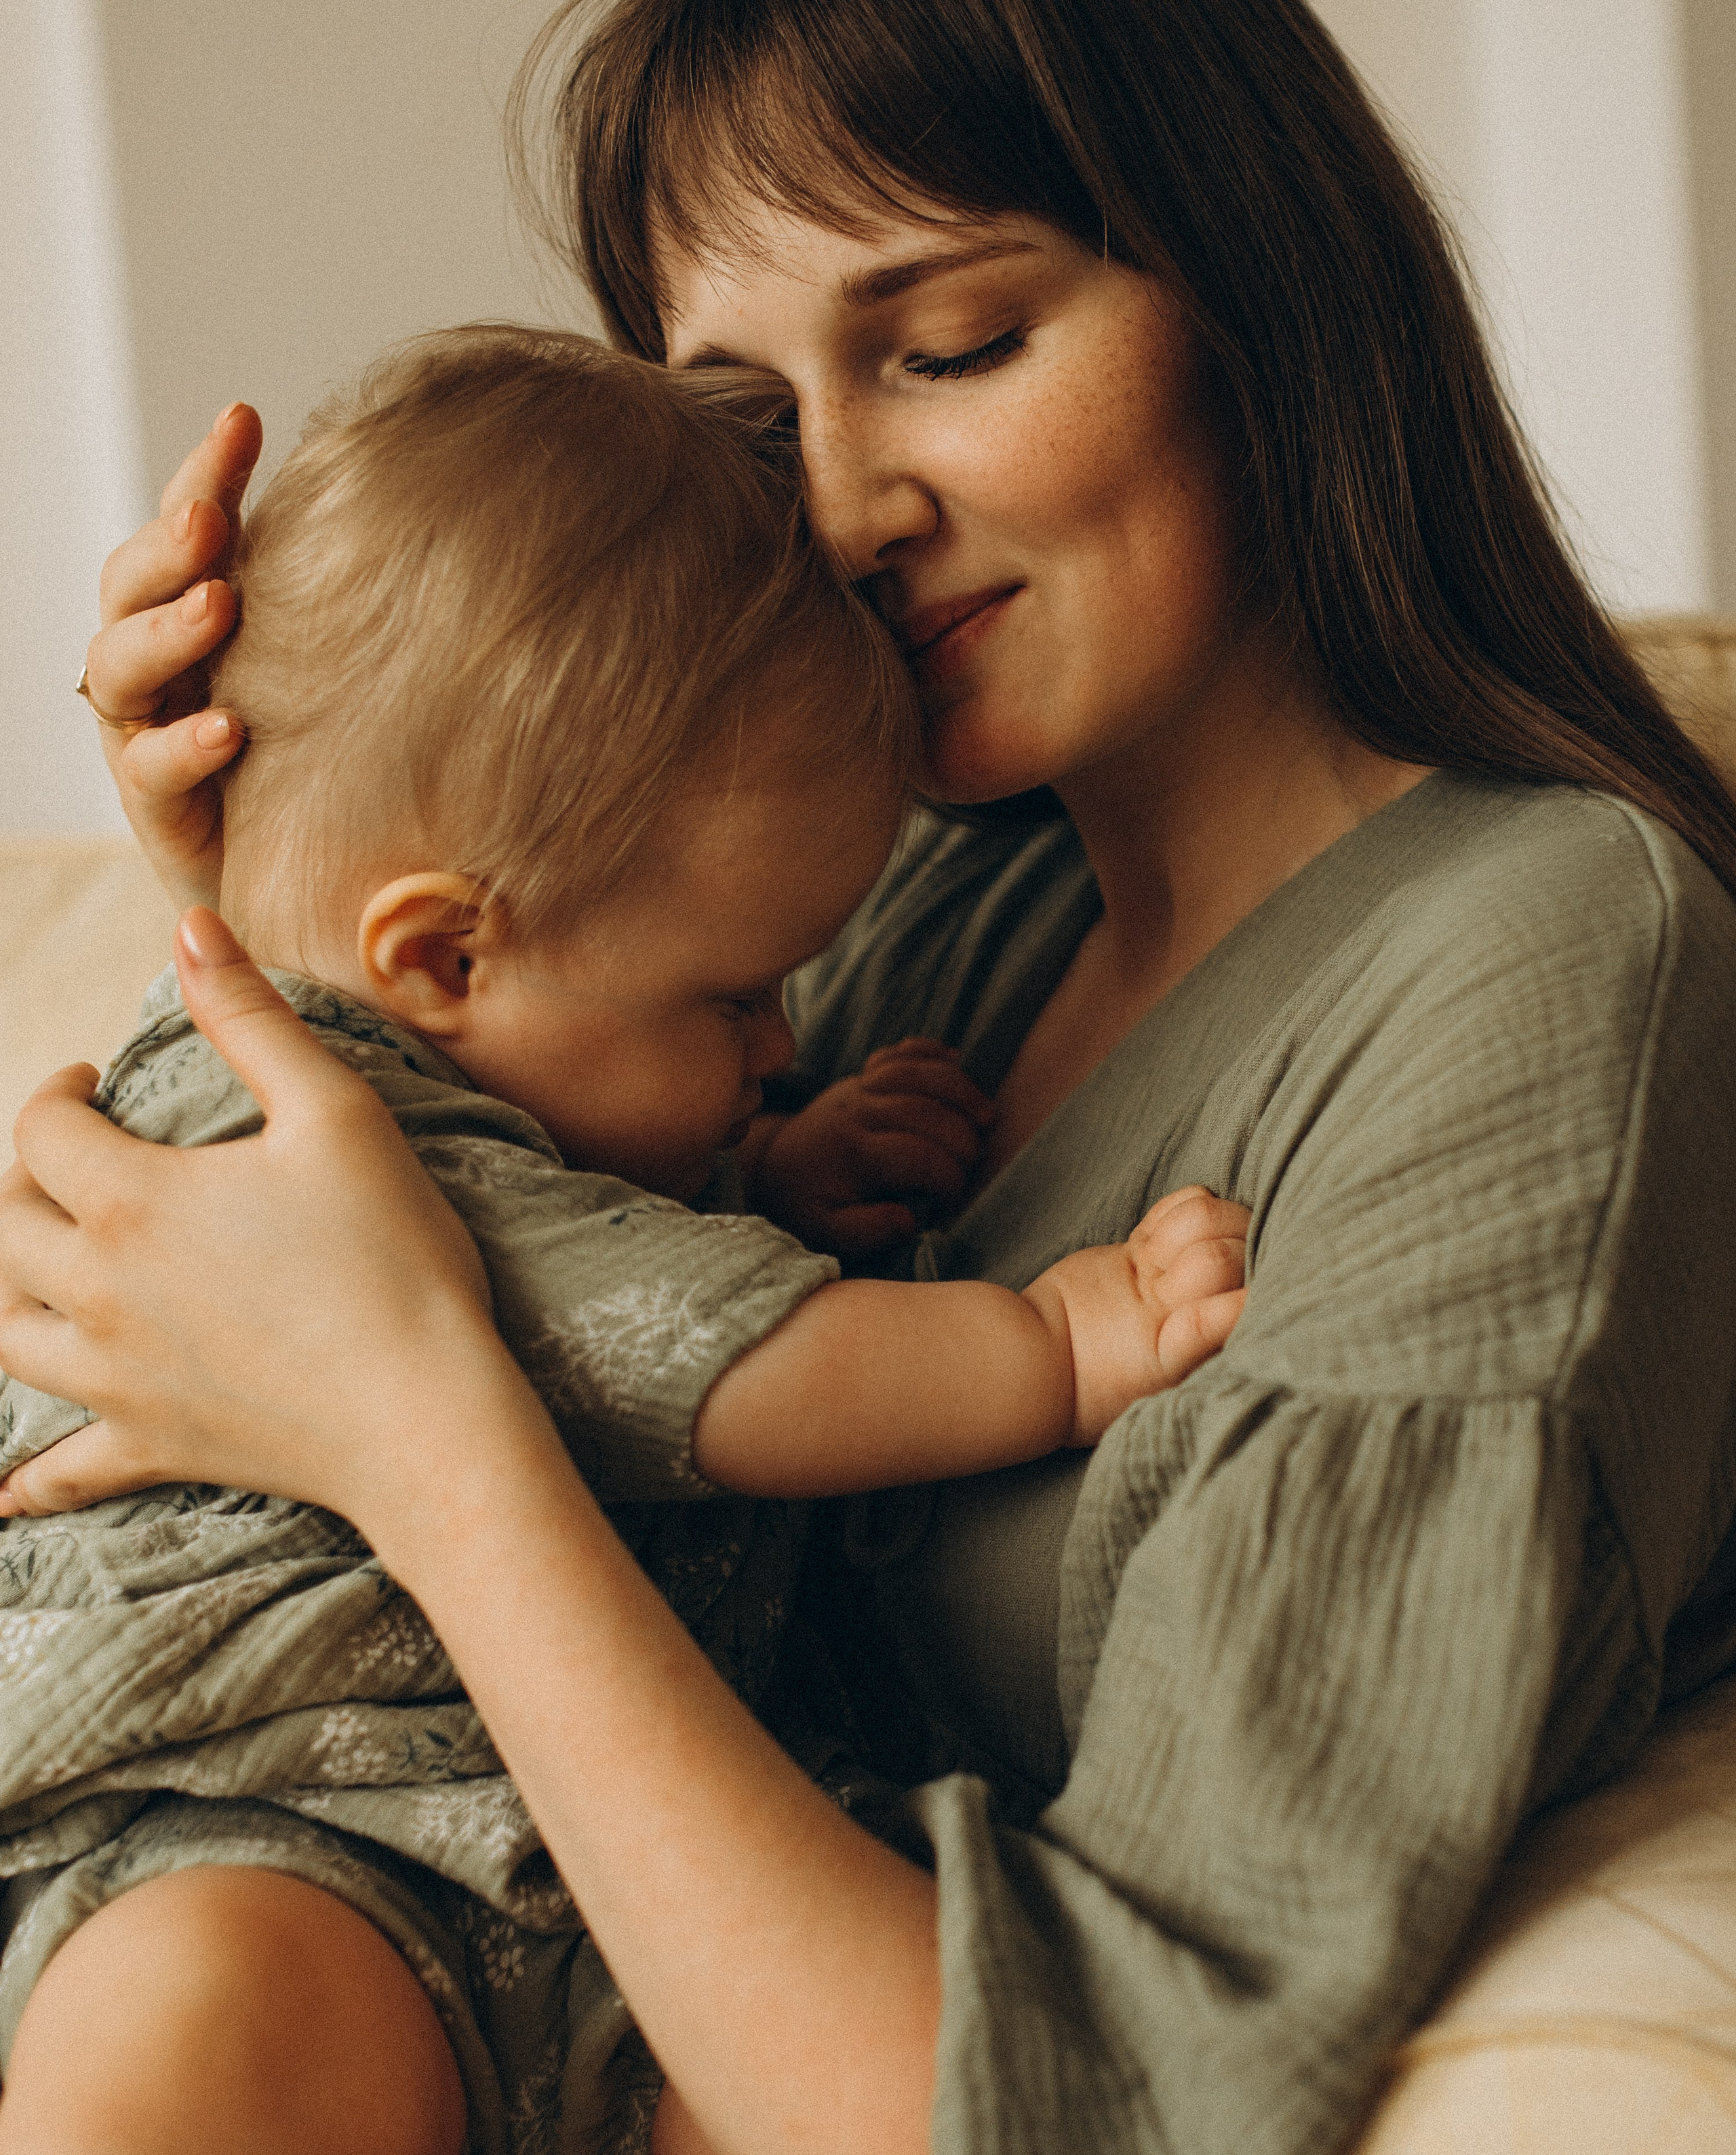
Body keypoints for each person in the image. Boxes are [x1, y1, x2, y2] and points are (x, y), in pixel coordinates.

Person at [4, 1, 1736, 2152]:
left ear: (1262, 287)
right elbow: (542, 1179)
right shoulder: (927, 899)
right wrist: (274, 902)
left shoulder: (1538, 962)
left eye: (952, 347)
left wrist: (409, 1422)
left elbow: (1100, 2106)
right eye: (745, 405)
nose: (830, 509)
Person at [0, 322, 1245, 2154]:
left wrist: (771, 1165)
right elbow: (740, 1377)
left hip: (564, 1875)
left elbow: (578, 1276)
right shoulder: (310, 1146)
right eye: (737, 995)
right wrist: (1056, 1342)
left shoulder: (469, 1097)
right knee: (192, 2050)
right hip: (259, 1831)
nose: (782, 1040)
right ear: (437, 955)